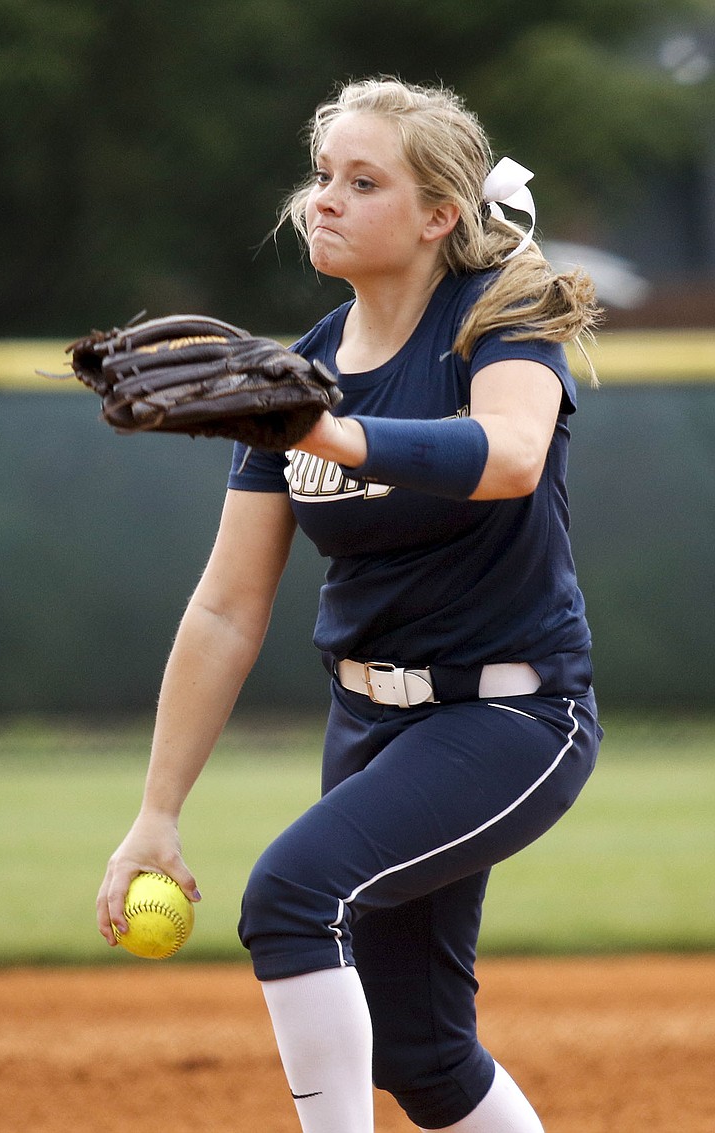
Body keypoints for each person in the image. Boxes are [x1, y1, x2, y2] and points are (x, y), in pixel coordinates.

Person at [97, 77, 603, 1132]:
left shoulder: (495, 324)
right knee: (420, 1054)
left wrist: (324, 435)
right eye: (323, 175)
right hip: (371, 723)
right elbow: (228, 608)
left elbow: (509, 455)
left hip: (509, 714)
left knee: (291, 892)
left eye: (362, 181)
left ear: (437, 217)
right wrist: (156, 811)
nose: (322, 198)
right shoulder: (298, 371)